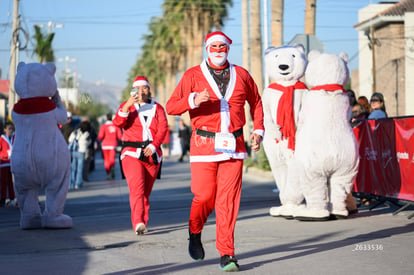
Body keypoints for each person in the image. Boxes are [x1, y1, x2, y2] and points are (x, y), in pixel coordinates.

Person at [166, 31, 264, 272]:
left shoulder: (241, 74)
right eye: (214, 46)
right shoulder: (193, 75)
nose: (219, 49)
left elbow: (257, 102)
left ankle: (227, 253)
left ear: (228, 48)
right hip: (203, 145)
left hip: (234, 144)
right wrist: (192, 100)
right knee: (204, 196)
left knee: (227, 201)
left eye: (223, 46)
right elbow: (171, 106)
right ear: (207, 48)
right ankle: (195, 231)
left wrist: (259, 130)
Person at [113, 76, 168, 235]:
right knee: (137, 188)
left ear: (149, 90)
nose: (141, 91)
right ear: (133, 90)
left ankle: (143, 220)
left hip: (152, 153)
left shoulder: (157, 108)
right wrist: (126, 107)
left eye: (145, 87)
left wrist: (154, 145)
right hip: (131, 153)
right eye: (138, 88)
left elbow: (163, 128)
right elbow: (117, 123)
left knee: (145, 192)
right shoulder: (126, 106)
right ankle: (138, 221)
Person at [98, 113, 122, 180]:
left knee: (106, 160)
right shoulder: (116, 126)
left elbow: (100, 136)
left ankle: (108, 173)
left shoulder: (103, 126)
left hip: (105, 145)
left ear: (106, 118)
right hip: (113, 145)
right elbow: (120, 136)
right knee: (112, 159)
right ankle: (112, 168)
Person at [68, 120, 91, 189]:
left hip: (74, 151)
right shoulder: (87, 134)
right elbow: (89, 142)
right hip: (82, 152)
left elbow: (69, 140)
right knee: (80, 169)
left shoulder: (75, 132)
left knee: (73, 168)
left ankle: (71, 184)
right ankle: (78, 184)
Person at [0, 122, 16, 207]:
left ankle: (12, 197)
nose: (10, 130)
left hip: (12, 163)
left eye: (11, 129)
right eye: (9, 129)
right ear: (5, 130)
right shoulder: (2, 139)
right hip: (4, 163)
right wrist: (4, 155)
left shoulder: (13, 138)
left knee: (11, 182)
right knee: (4, 181)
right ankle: (2, 198)